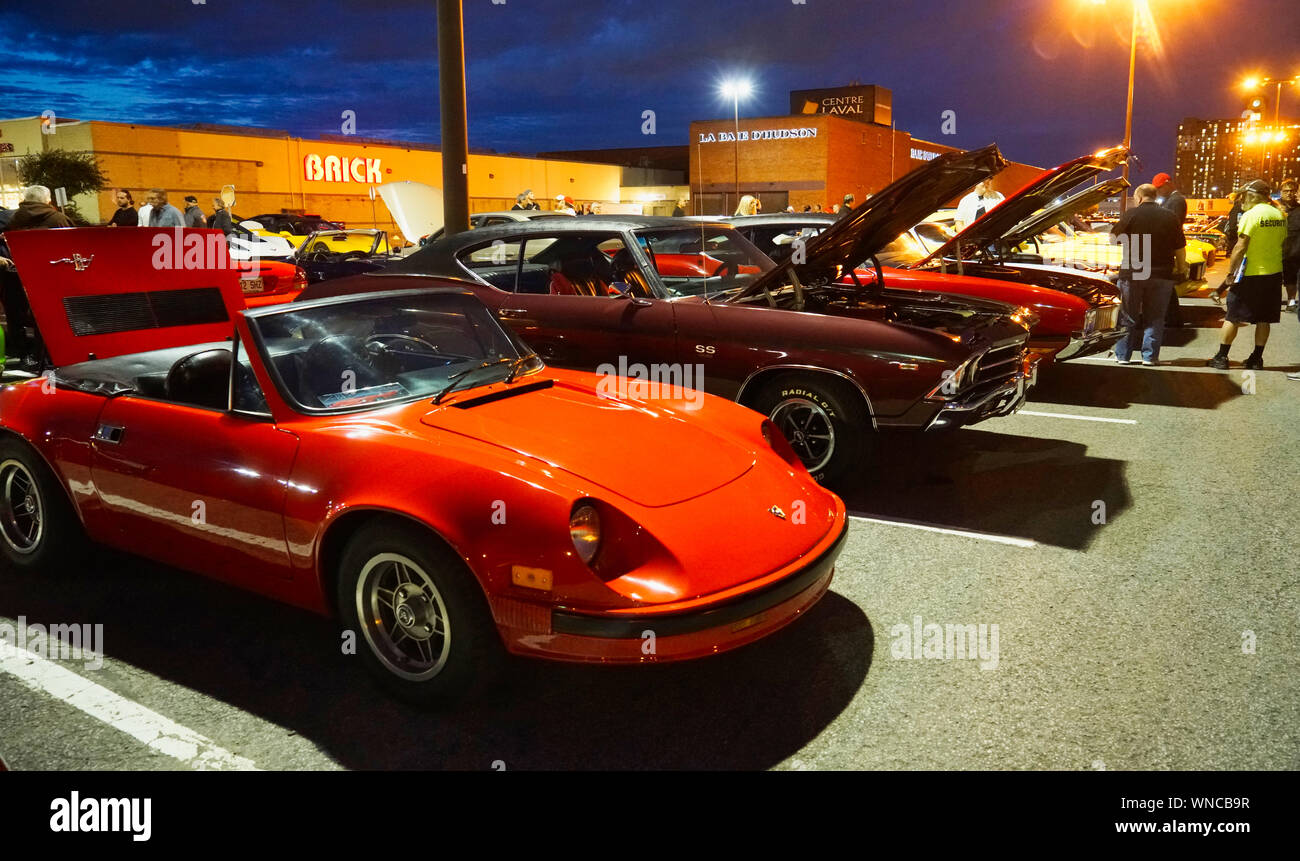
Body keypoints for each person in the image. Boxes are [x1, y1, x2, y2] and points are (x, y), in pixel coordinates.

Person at [1207, 180, 1287, 370]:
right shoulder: (1280, 215)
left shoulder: (1251, 215)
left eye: (1243, 195)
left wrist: (1230, 273)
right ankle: (1256, 359)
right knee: (1264, 318)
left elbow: (1240, 247)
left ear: (1251, 196)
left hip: (1250, 273)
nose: (1241, 199)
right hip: (1273, 273)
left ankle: (1221, 357)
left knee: (1233, 317)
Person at [1109, 183, 1188, 366]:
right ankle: (1150, 357)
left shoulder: (1131, 214)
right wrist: (1181, 268)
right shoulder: (1170, 217)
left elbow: (1113, 239)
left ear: (1139, 197)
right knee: (1156, 317)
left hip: (1132, 274)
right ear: (1155, 196)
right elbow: (1180, 248)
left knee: (1127, 315)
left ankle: (1122, 356)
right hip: (1162, 274)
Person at [4, 185, 73, 230]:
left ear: (25, 199)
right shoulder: (59, 219)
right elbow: (72, 240)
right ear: (48, 200)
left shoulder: (15, 219)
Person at [1278, 178, 1298, 312]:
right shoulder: (1274, 208)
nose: (1289, 193)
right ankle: (1270, 302)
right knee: (1272, 278)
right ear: (1281, 192)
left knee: (1291, 279)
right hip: (1275, 250)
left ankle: (1291, 302)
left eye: (1292, 191)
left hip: (1294, 252)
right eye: (1286, 191)